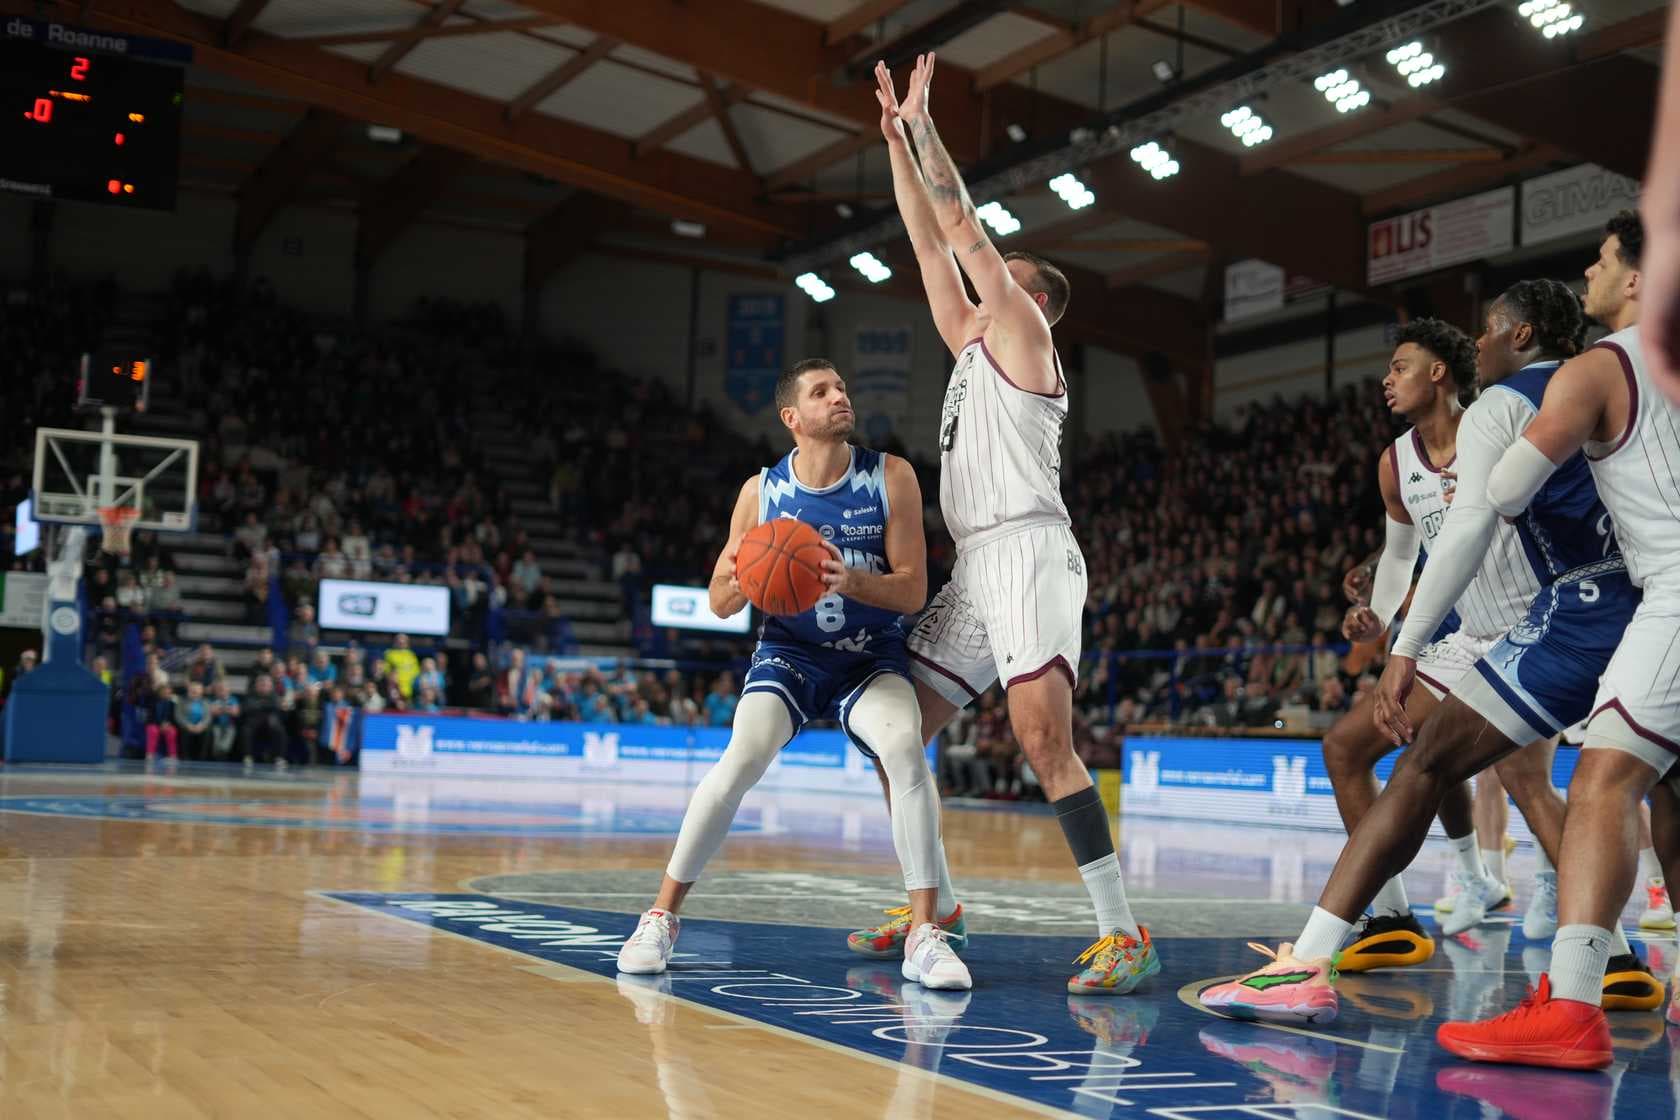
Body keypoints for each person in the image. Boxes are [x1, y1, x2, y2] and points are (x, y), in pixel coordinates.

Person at [1203, 268, 1655, 1025]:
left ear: (1516, 335)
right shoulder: (1620, 377)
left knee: (1455, 767)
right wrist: (1381, 620)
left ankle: (1314, 960)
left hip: (1557, 613)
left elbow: (1478, 521)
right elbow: (1403, 558)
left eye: (1486, 330)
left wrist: (1403, 647)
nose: (1479, 343)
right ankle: (1587, 958)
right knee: (1619, 786)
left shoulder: (1502, 408)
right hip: (1638, 604)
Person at [865, 54, 1149, 995]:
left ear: (1028, 299)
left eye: (1001, 276)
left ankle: (1122, 932)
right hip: (976, 566)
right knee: (892, 728)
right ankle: (935, 905)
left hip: (1029, 549)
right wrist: (896, 148)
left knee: (1041, 740)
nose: (981, 279)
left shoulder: (1022, 333)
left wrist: (926, 126)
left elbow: (957, 224)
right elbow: (925, 238)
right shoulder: (971, 347)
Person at [616, 358, 969, 991]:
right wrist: (747, 571)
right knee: (742, 757)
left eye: (840, 388)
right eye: (821, 391)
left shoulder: (892, 476)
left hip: (868, 656)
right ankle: (661, 917)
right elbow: (720, 603)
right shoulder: (761, 494)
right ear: (792, 418)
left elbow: (914, 590)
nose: (839, 397)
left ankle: (926, 934)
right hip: (790, 655)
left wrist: (851, 579)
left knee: (903, 751)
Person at [1438, 211, 1680, 1068]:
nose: (1591, 269)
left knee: (1605, 782)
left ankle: (1572, 1006)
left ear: (1641, 279)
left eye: (1606, 259)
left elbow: (1501, 490)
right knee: (1663, 788)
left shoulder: (1599, 366)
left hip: (1670, 590)